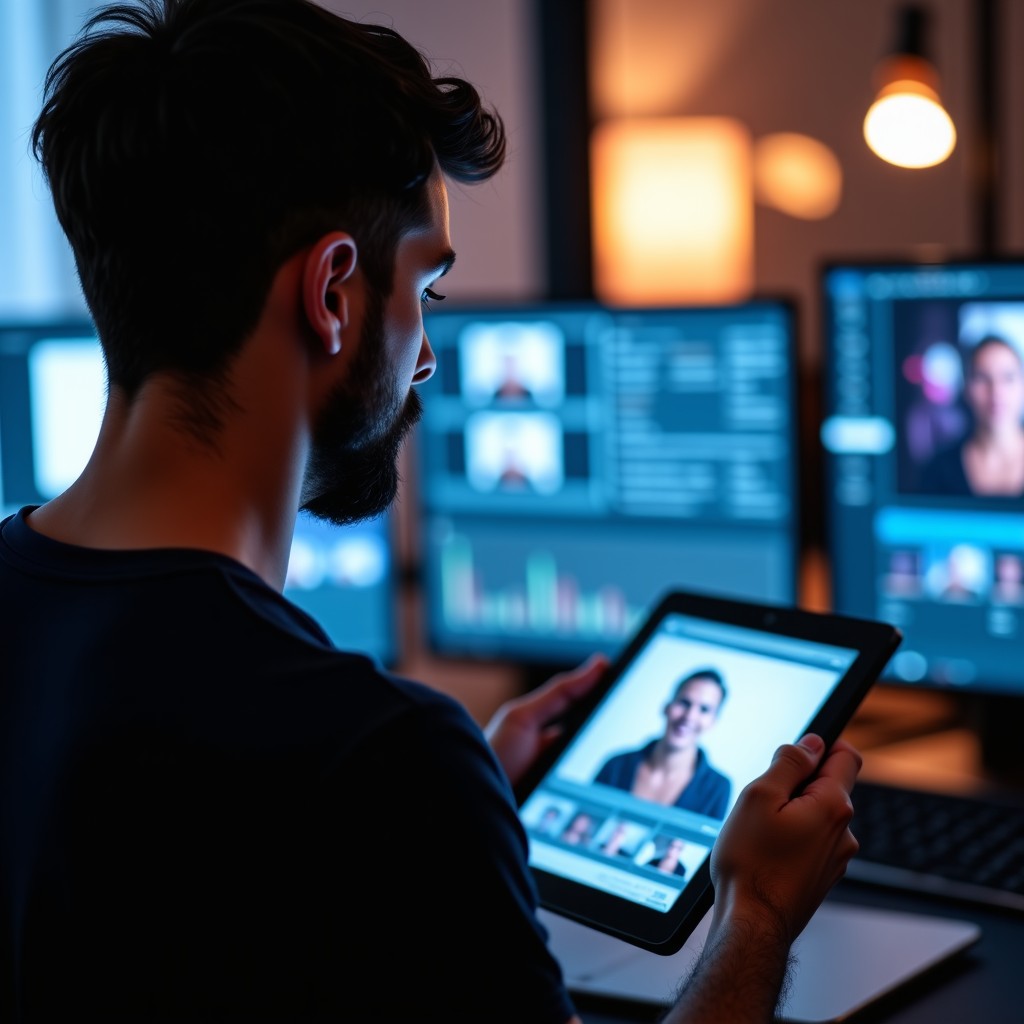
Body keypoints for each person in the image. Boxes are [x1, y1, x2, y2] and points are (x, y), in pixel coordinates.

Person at [0, 2, 864, 1022]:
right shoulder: (381, 761)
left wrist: (454, 812)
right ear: (332, 292)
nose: (426, 358)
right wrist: (757, 909)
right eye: (427, 292)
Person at [594, 668, 732, 819]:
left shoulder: (718, 788)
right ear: (666, 707)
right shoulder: (616, 765)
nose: (689, 716)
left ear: (712, 722)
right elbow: (581, 824)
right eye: (684, 703)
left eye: (704, 709)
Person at [919, 335, 1024, 497]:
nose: (996, 391)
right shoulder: (938, 470)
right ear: (966, 388)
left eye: (1008, 377)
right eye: (982, 378)